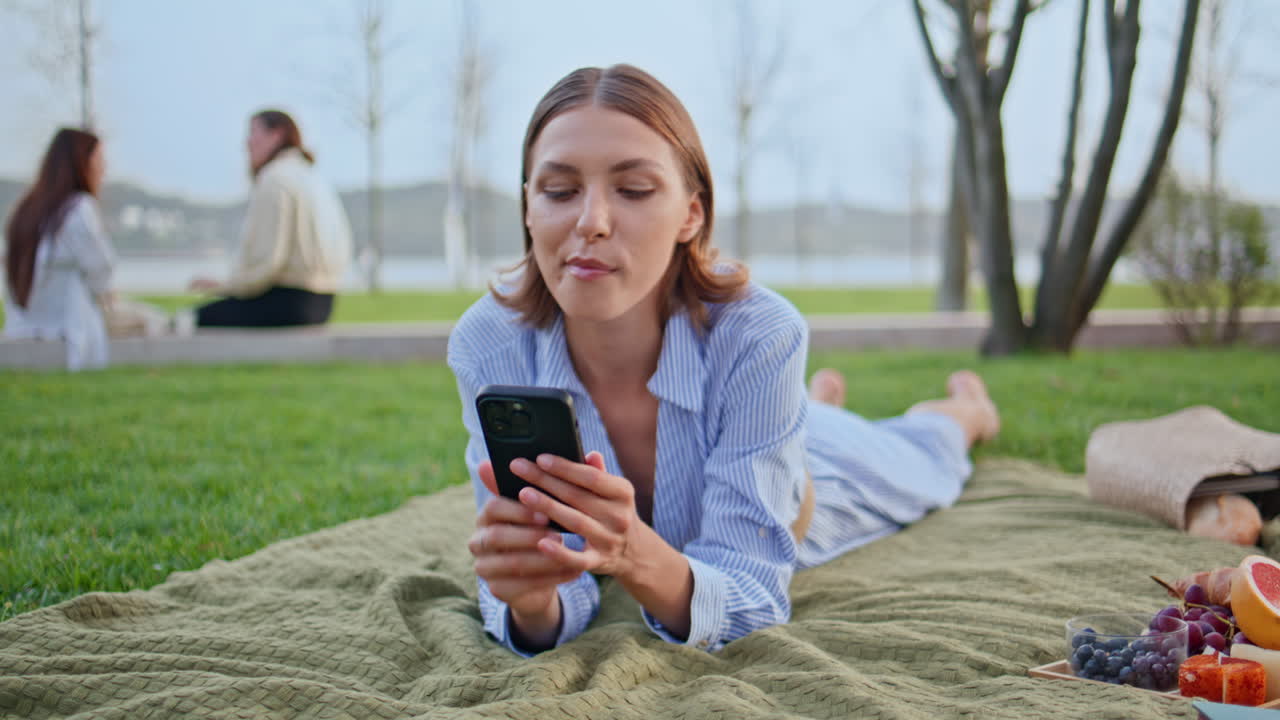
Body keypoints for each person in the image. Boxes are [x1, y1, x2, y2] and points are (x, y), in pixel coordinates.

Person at [446, 65, 1001, 656]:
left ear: (691, 214)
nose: (591, 222)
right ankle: (809, 404)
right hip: (754, 426)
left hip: (816, 478)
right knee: (795, 420)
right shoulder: (489, 345)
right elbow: (534, 582)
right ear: (528, 207)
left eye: (634, 190)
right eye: (559, 191)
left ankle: (964, 410)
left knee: (925, 456)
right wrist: (532, 602)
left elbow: (751, 595)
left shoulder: (760, 334)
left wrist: (632, 552)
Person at [3, 128, 168, 371]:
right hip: (72, 321)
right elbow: (102, 269)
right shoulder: (79, 208)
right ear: (82, 163)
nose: (104, 168)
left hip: (26, 320)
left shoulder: (26, 209)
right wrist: (106, 294)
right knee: (154, 319)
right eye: (99, 160)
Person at [187, 110, 352, 327]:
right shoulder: (312, 176)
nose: (247, 143)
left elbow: (267, 262)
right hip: (324, 303)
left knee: (188, 320)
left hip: (287, 303)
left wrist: (225, 285)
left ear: (276, 135)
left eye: (253, 133)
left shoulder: (275, 179)